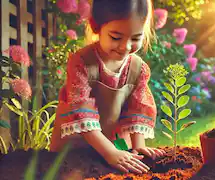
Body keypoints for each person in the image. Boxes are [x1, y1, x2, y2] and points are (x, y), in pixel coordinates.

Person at [49, 0, 166, 174]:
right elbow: (80, 109)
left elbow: (137, 108)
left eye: (135, 38)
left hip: (115, 148)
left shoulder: (138, 68)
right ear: (97, 27)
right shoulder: (81, 62)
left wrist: (138, 145)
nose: (125, 47)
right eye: (116, 37)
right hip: (74, 148)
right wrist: (109, 152)